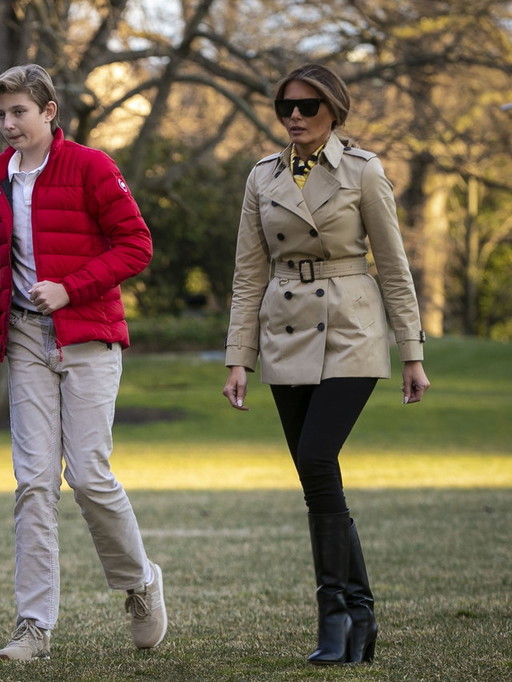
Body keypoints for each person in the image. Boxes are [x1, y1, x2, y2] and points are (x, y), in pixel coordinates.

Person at [222, 63, 430, 665]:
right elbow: (247, 273)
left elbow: (392, 267)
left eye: (307, 107)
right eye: (285, 105)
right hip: (284, 328)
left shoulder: (364, 173)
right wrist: (239, 357)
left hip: (351, 327)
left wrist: (411, 352)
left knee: (316, 458)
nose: (294, 116)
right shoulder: (262, 177)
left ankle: (335, 616)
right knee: (319, 477)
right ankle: (359, 616)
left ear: (333, 111)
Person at [0, 64, 167, 661]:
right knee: (33, 482)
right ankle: (34, 627)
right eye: (0, 114)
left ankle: (140, 584)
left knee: (87, 475)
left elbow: (137, 245)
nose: (8, 124)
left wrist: (70, 287)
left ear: (49, 111)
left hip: (87, 338)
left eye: (19, 112)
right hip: (26, 341)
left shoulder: (91, 166)